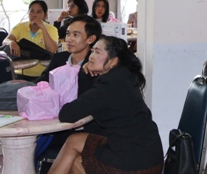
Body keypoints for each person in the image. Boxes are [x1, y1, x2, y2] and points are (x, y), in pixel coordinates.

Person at [49, 36, 163, 174]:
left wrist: (84, 75)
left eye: (97, 52)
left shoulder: (109, 84)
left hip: (134, 164)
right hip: (148, 154)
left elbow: (67, 114)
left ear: (113, 61)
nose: (91, 56)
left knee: (77, 163)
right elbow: (90, 100)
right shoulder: (123, 75)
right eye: (92, 51)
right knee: (74, 141)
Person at [36, 14, 101, 95]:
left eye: (75, 34)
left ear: (90, 39)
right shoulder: (59, 58)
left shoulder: (95, 66)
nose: (69, 39)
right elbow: (42, 82)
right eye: (68, 34)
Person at [3, 0, 59, 79]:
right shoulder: (20, 26)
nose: (34, 15)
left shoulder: (51, 29)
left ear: (45, 15)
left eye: (38, 12)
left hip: (42, 75)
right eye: (32, 11)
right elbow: (5, 41)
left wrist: (43, 28)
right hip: (19, 74)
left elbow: (52, 50)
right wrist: (11, 42)